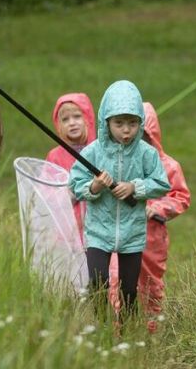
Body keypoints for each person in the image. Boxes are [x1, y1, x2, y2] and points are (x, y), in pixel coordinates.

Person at [69, 80, 170, 317]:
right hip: (98, 232)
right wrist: (94, 187)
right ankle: (102, 330)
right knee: (98, 281)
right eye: (119, 123)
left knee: (128, 291)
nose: (126, 130)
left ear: (140, 123)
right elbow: (75, 184)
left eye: (133, 123)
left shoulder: (146, 153)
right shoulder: (93, 152)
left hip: (132, 233)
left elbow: (162, 183)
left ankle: (127, 336)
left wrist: (134, 188)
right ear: (106, 122)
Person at [109, 102, 191, 333]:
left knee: (149, 284)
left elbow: (181, 197)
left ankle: (149, 330)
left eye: (142, 133)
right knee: (116, 279)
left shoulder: (169, 166)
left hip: (151, 240)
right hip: (120, 234)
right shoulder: (117, 163)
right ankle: (118, 329)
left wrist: (157, 208)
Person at [45, 93, 96, 236]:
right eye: (65, 119)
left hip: (100, 233)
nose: (72, 123)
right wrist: (71, 193)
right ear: (58, 125)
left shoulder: (100, 152)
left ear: (88, 118)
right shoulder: (55, 157)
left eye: (77, 116)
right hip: (68, 233)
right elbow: (48, 195)